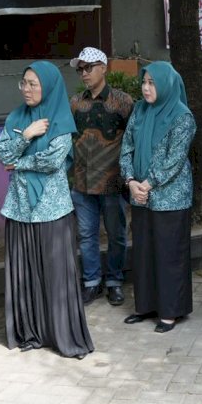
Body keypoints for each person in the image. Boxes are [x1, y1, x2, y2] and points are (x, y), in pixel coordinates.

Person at [0, 61, 93, 359]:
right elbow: (1, 153)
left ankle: (62, 336)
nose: (26, 89)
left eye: (33, 84)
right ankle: (30, 332)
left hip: (51, 208)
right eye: (23, 82)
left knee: (55, 273)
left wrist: (19, 162)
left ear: (48, 87)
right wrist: (25, 136)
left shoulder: (60, 120)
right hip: (20, 207)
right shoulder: (16, 118)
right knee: (25, 272)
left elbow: (52, 162)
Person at [120, 62, 196, 333]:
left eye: (152, 82)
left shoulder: (182, 116)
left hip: (169, 197)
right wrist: (130, 181)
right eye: (144, 82)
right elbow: (126, 147)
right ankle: (146, 306)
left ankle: (169, 311)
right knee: (143, 252)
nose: (146, 87)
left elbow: (174, 160)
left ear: (166, 84)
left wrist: (147, 183)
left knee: (168, 254)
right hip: (140, 194)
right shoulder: (140, 110)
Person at [68, 47, 134, 306]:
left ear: (103, 68)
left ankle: (115, 281)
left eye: (89, 67)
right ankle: (91, 282)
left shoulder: (123, 102)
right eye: (80, 69)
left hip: (113, 182)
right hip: (82, 182)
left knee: (117, 234)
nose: (84, 73)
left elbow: (133, 140)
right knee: (86, 235)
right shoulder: (75, 103)